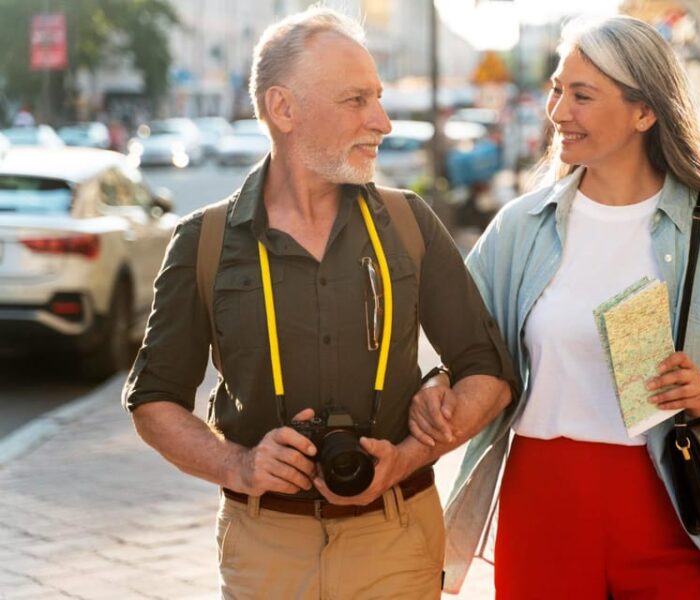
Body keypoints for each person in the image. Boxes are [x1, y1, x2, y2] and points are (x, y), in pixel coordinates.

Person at [122, 8, 514, 599]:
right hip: (264, 548)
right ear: (283, 109)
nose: (381, 121)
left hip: (398, 536)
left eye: (377, 98)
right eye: (356, 100)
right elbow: (153, 400)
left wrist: (408, 455)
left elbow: (491, 373)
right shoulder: (203, 241)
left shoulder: (410, 223)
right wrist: (238, 466)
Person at [411, 15, 700, 599]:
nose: (558, 111)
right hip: (544, 496)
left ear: (645, 112)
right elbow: (466, 347)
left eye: (582, 95)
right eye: (558, 90)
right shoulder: (522, 226)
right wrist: (440, 377)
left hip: (667, 496)